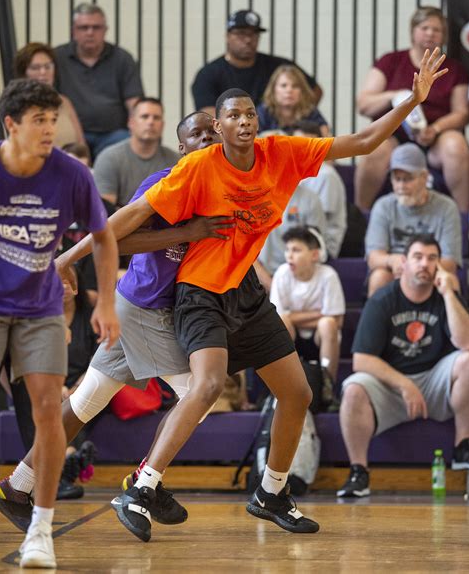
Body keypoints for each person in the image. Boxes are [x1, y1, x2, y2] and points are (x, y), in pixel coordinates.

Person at [76, 47, 445, 542]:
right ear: (220, 128)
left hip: (245, 293)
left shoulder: (281, 152)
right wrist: (71, 256)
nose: (244, 122)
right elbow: (126, 220)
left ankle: (271, 493)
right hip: (199, 293)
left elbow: (362, 139)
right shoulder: (197, 167)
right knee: (204, 388)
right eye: (233, 116)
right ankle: (141, 488)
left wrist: (411, 101)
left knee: (298, 393)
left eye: (250, 113)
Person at [0, 111, 232, 540]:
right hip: (145, 306)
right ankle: (146, 483)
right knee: (198, 393)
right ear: (181, 148)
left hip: (147, 307)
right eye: (194, 135)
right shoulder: (164, 182)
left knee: (85, 403)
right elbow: (113, 237)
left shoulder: (221, 183)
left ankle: (17, 486)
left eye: (208, 131)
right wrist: (191, 232)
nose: (204, 139)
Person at [0, 79, 119, 569]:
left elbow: (104, 238)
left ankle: (40, 531)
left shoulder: (71, 173)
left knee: (49, 411)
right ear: (11, 125)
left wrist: (106, 302)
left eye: (54, 120)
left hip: (40, 307)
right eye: (38, 121)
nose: (50, 129)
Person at [337, 234, 469, 498]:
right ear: (404, 263)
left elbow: (466, 342)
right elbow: (360, 360)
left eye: (432, 258)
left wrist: (447, 294)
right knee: (353, 388)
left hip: (435, 382)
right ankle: (358, 472)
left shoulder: (446, 295)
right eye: (418, 257)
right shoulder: (383, 300)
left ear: (439, 265)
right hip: (392, 386)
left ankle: (463, 446)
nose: (425, 264)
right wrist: (404, 384)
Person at [355, 6, 469, 212]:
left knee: (457, 146)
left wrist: (435, 129)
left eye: (436, 29)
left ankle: (464, 218)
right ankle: (360, 215)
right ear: (412, 31)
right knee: (374, 148)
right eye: (424, 27)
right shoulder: (390, 61)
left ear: (443, 36)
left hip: (436, 137)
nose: (430, 33)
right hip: (394, 135)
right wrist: (397, 96)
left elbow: (462, 113)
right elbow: (364, 104)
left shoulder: (454, 69)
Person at [366, 143, 462, 297]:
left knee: (449, 280)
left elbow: (450, 263)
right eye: (397, 179)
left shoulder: (447, 207)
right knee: (379, 277)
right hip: (394, 270)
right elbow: (374, 258)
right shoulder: (383, 206)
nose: (401, 186)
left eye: (408, 179)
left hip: (429, 269)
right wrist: (391, 260)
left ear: (424, 177)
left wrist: (415, 268)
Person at [54, 2, 144, 158]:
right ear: (73, 31)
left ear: (105, 30)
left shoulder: (122, 58)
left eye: (96, 27)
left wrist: (138, 130)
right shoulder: (57, 57)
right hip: (71, 135)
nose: (90, 32)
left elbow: (134, 103)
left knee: (128, 143)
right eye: (84, 27)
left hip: (114, 135)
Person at [191, 9, 322, 117]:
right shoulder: (208, 74)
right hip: (231, 144)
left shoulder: (278, 66)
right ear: (227, 36)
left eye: (254, 34)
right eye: (241, 33)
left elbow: (315, 90)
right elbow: (208, 114)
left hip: (278, 138)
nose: (248, 39)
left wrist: (296, 116)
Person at [270, 226, 345, 385]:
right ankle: (281, 386)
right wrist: (319, 314)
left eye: (296, 250)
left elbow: (338, 320)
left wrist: (293, 316)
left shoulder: (328, 275)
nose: (289, 255)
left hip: (319, 338)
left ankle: (328, 386)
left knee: (328, 324)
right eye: (288, 250)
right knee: (282, 322)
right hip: (291, 336)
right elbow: (275, 320)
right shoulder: (282, 273)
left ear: (314, 254)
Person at [93, 97, 180, 207]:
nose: (150, 122)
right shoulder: (108, 158)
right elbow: (105, 210)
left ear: (162, 125)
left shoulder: (176, 161)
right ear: (131, 123)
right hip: (120, 223)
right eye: (145, 116)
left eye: (156, 118)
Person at [254, 181, 327, 292]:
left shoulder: (310, 199)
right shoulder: (252, 199)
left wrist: (295, 288)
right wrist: (272, 286)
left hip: (300, 280)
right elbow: (246, 256)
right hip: (261, 280)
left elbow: (315, 249)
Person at [292, 120, 347, 258]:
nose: (302, 148)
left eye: (308, 144)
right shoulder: (291, 171)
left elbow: (317, 222)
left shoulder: (326, 175)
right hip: (295, 238)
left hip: (321, 244)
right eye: (297, 143)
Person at [14, 42, 85, 148]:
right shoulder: (16, 105)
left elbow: (81, 145)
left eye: (48, 66)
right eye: (35, 67)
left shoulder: (64, 101)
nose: (43, 72)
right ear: (23, 73)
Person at [257, 65, 329, 136]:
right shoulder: (263, 111)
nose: (289, 90)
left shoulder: (310, 111)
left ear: (302, 91)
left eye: (295, 86)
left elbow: (326, 136)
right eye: (283, 85)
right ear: (273, 89)